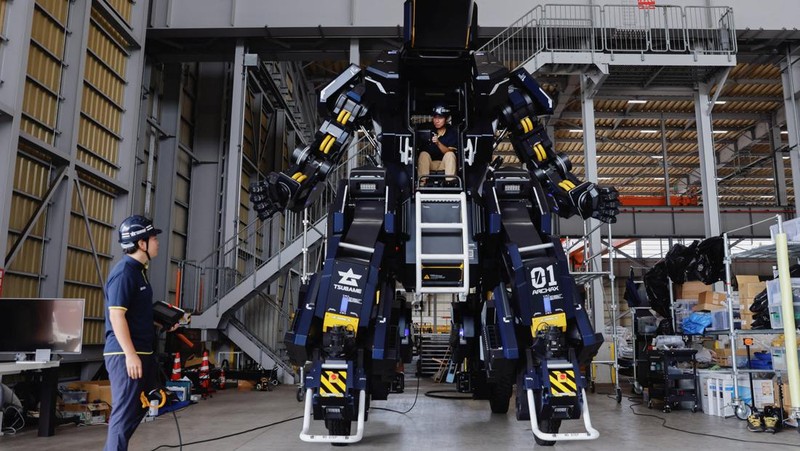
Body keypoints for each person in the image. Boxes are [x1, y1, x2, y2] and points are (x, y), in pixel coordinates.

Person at [103, 215, 162, 451]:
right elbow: (116, 316)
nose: (157, 242)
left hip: (141, 352)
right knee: (124, 412)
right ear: (141, 243)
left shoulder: (139, 271)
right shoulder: (124, 273)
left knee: (140, 406)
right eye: (153, 238)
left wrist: (164, 323)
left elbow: (135, 314)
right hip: (126, 354)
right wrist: (130, 355)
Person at [417, 102, 458, 184]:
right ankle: (422, 183)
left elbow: (450, 152)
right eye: (435, 117)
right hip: (428, 165)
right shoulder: (426, 130)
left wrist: (438, 143)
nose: (437, 121)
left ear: (446, 119)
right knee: (423, 154)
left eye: (440, 118)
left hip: (444, 164)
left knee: (450, 154)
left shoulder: (452, 132)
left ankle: (450, 183)